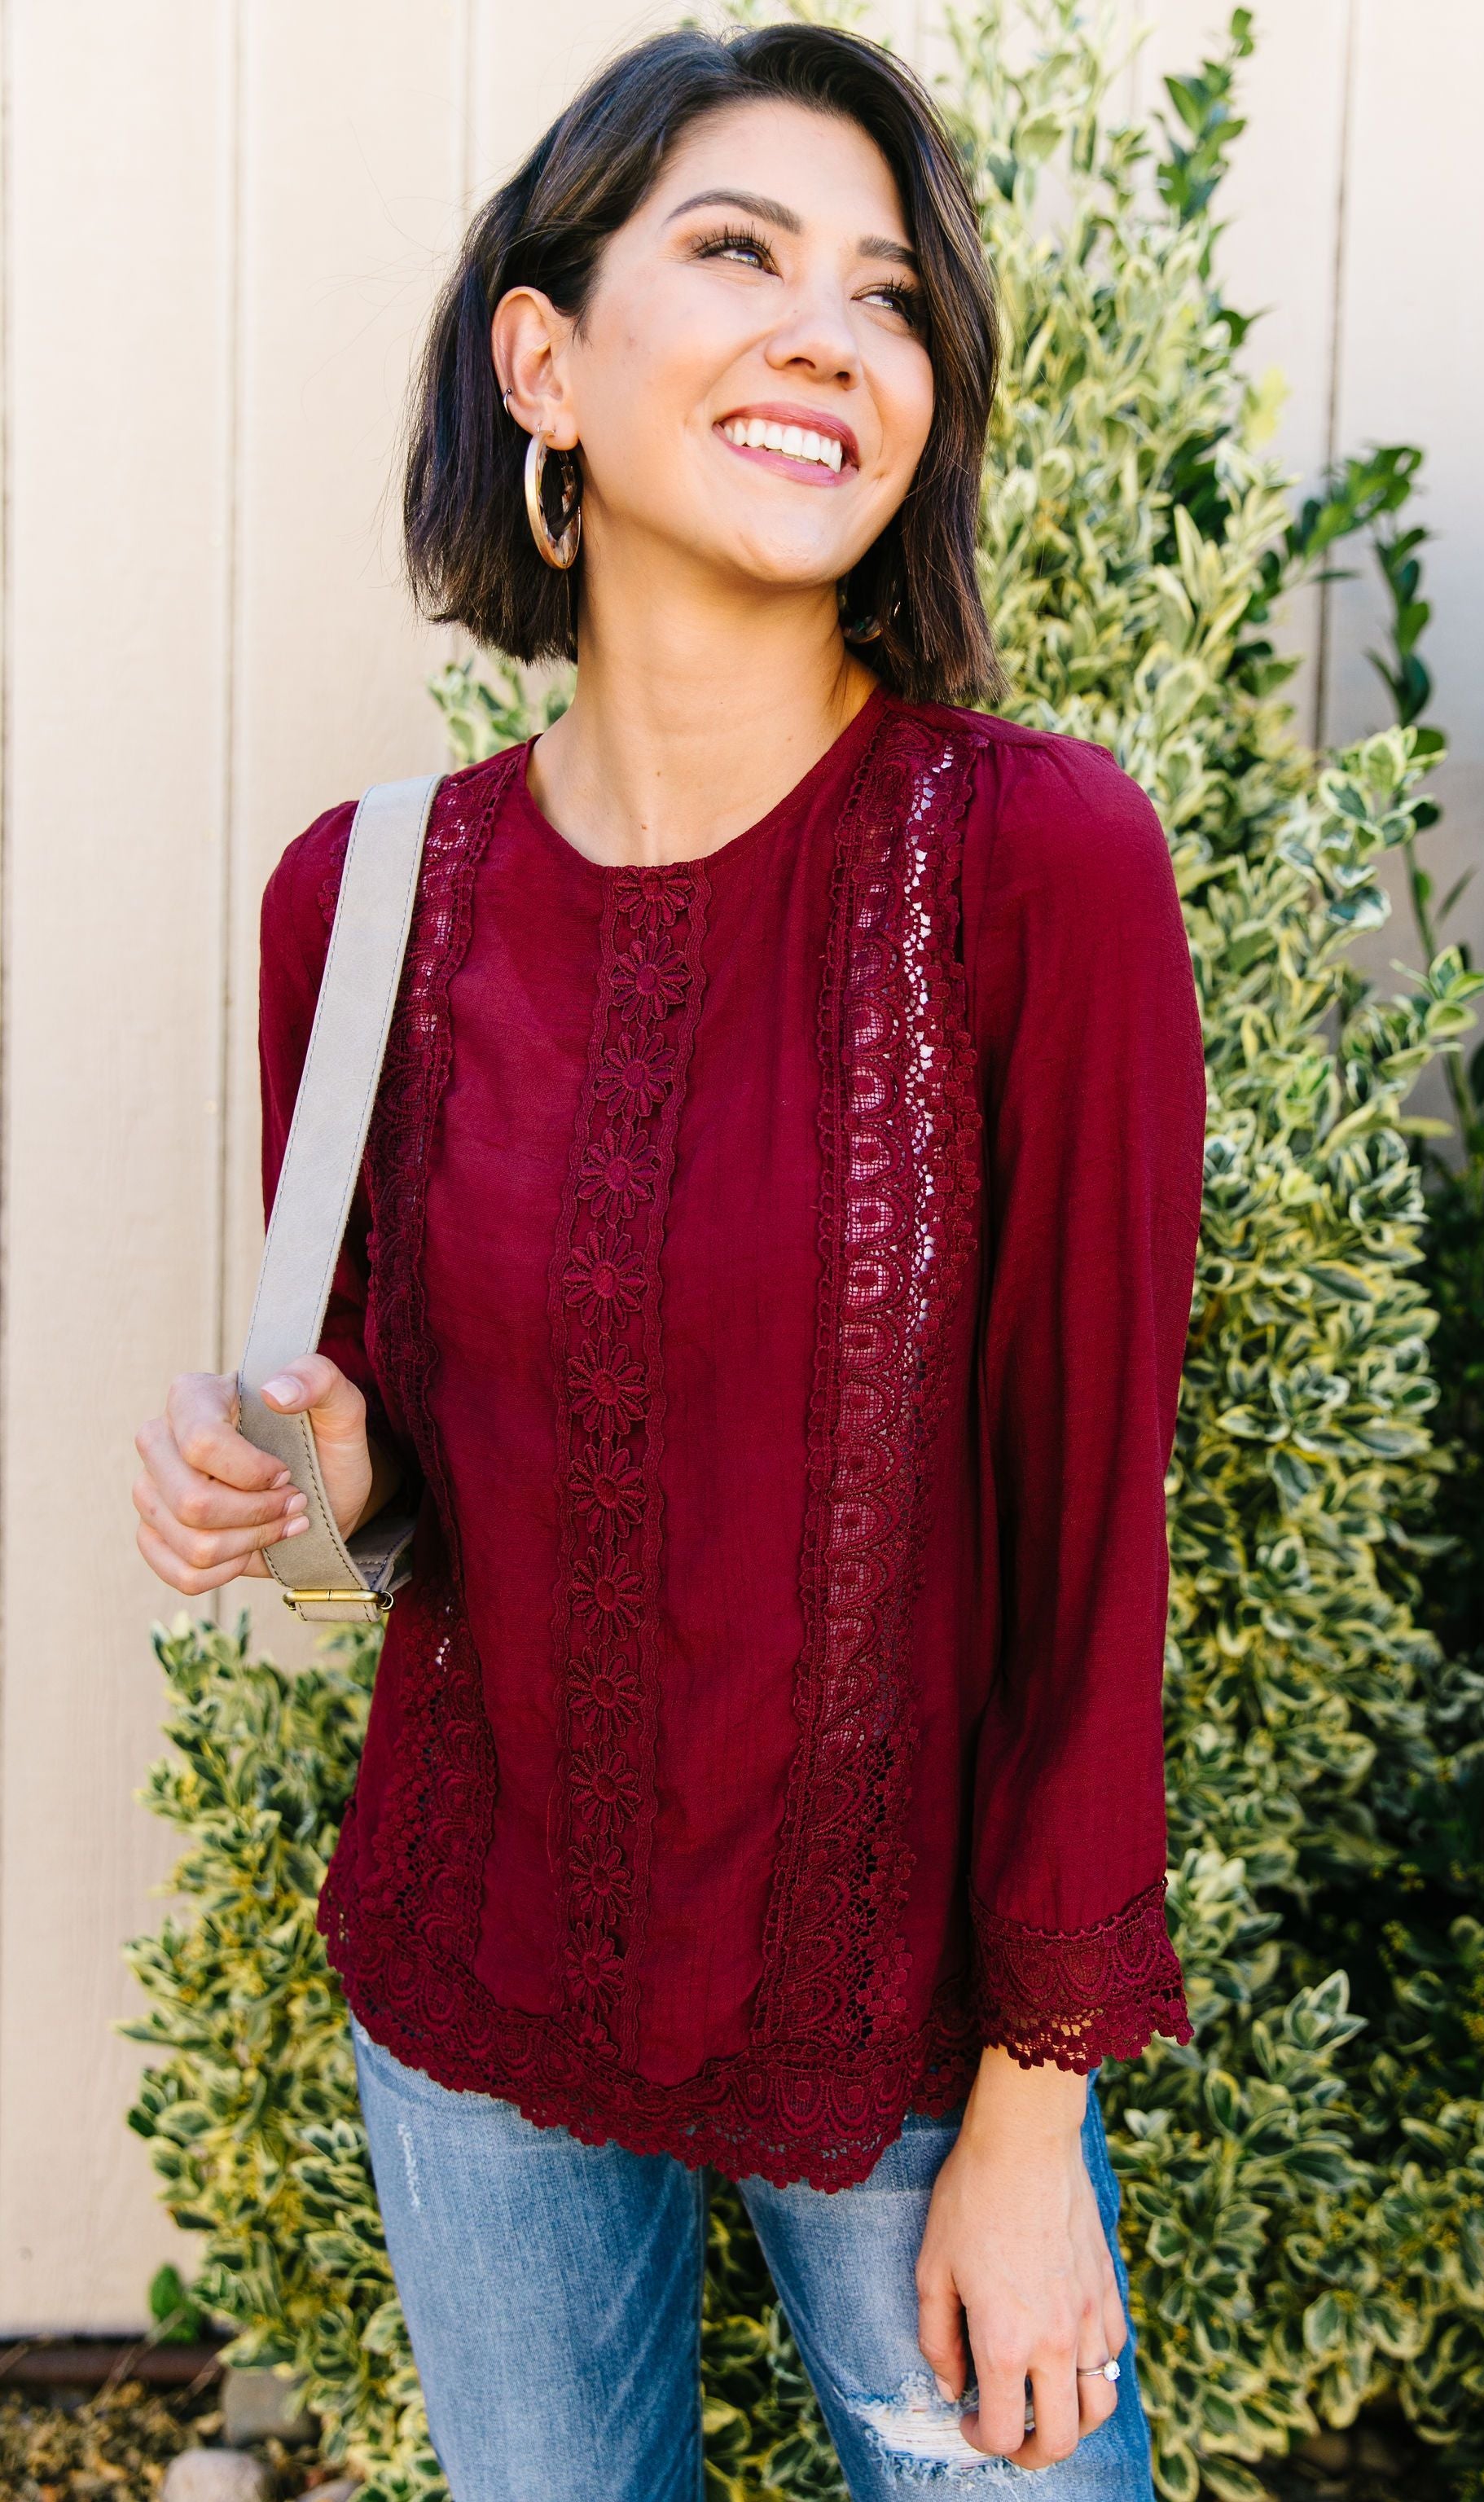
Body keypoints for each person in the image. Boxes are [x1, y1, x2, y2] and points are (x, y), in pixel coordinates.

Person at [132, 23, 1204, 2500]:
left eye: (892, 294)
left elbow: (1086, 1544)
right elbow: (397, 1458)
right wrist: (289, 1455)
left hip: (909, 2047)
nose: (833, 327)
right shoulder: (366, 893)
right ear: (547, 357)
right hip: (476, 1979)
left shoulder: (1031, 865)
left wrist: (1036, 2135)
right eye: (738, 251)